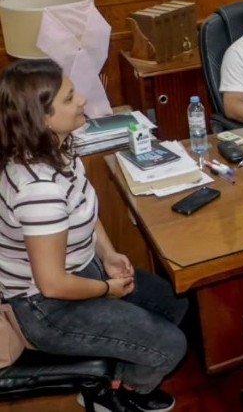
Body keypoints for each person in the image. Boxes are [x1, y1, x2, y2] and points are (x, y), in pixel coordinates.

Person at [0, 59, 187, 412]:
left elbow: (83, 209)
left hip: (85, 269)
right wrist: (107, 289)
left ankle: (116, 362)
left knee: (171, 302)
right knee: (171, 345)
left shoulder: (61, 148)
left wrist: (109, 254)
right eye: (71, 98)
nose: (83, 100)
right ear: (42, 119)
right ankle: (119, 393)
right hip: (48, 307)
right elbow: (53, 284)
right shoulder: (38, 190)